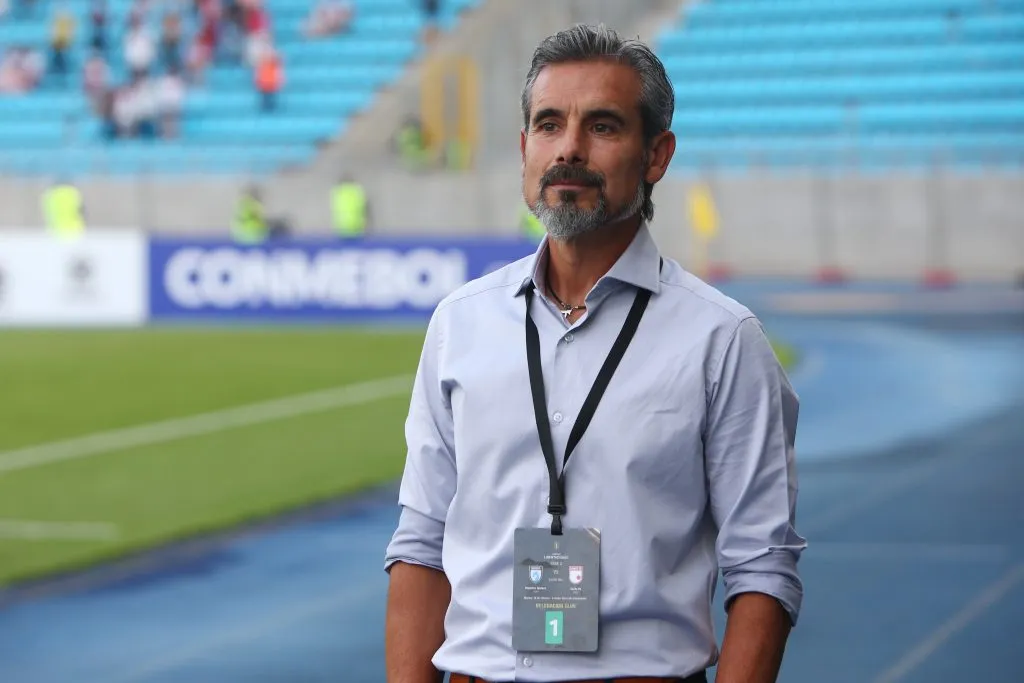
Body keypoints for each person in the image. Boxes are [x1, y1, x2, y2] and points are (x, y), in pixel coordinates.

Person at [384, 24, 805, 683]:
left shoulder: (722, 340)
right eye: (549, 125)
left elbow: (762, 566)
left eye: (603, 126)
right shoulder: (459, 324)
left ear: (656, 155)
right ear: (524, 148)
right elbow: (421, 545)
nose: (569, 149)